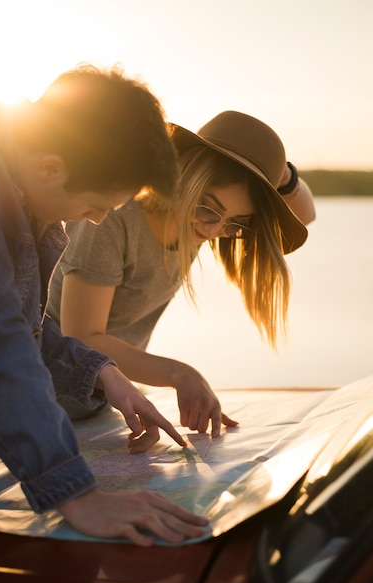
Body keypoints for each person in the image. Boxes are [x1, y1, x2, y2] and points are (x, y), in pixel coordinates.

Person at [0, 64, 209, 546]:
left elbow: (18, 326)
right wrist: (77, 494)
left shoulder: (23, 194)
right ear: (50, 167)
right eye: (96, 205)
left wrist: (102, 372)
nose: (97, 218)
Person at [48, 110, 316, 453]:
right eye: (209, 208)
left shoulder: (199, 225)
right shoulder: (113, 218)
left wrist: (280, 174)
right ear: (183, 178)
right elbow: (81, 337)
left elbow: (303, 216)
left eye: (234, 223)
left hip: (98, 407)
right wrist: (180, 375)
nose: (212, 230)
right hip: (34, 401)